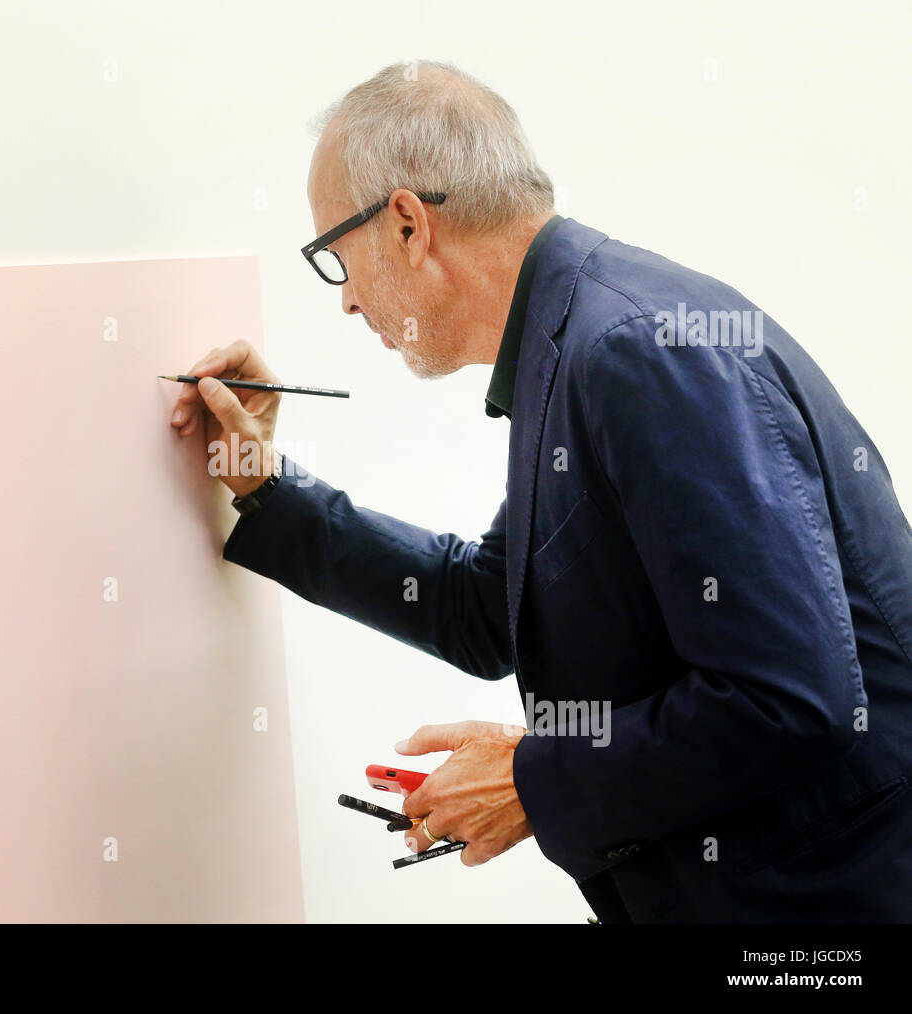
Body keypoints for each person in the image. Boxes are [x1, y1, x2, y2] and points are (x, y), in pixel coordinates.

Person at [167, 60, 912, 923]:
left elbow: (793, 697)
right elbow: (485, 605)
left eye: (338, 259)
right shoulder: (574, 347)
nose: (348, 304)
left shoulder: (636, 351)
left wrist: (531, 778)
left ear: (407, 224)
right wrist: (262, 486)